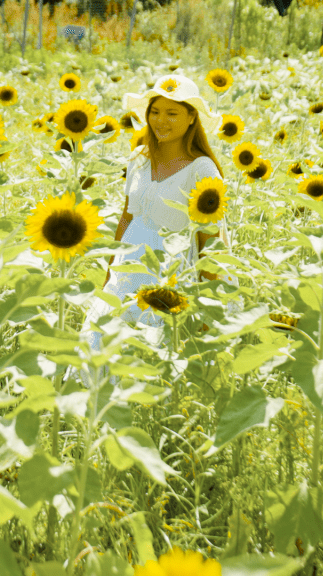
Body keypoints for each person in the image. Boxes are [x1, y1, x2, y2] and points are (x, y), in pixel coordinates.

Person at [80, 73, 231, 370]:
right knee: (96, 346)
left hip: (168, 274)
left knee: (151, 359)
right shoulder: (139, 158)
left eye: (172, 113)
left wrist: (206, 306)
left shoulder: (202, 169)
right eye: (155, 112)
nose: (161, 120)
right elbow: (126, 218)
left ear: (191, 118)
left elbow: (211, 241)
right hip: (127, 270)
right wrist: (110, 273)